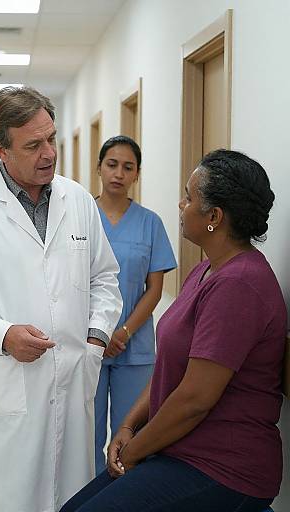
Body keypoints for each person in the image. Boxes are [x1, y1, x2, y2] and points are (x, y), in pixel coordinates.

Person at [0, 86, 122, 512]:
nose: (48, 153)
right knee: (7, 498)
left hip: (72, 379)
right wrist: (2, 334)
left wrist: (95, 339)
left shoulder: (79, 201)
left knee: (72, 497)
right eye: (33, 145)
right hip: (9, 385)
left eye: (51, 138)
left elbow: (105, 278)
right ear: (0, 148)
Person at [61, 149, 286, 512]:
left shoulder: (240, 284)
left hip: (224, 466)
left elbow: (194, 400)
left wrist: (136, 449)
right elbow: (173, 369)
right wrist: (128, 427)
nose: (181, 204)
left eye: (189, 196)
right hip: (179, 448)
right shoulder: (205, 272)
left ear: (213, 216)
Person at [93, 136, 176, 474]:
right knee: (86, 433)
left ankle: (123, 498)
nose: (118, 173)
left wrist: (123, 332)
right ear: (99, 167)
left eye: (128, 167)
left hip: (135, 344)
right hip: (89, 343)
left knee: (131, 437)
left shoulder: (150, 223)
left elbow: (154, 289)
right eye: (112, 164)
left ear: (137, 174)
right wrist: (100, 333)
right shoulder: (80, 216)